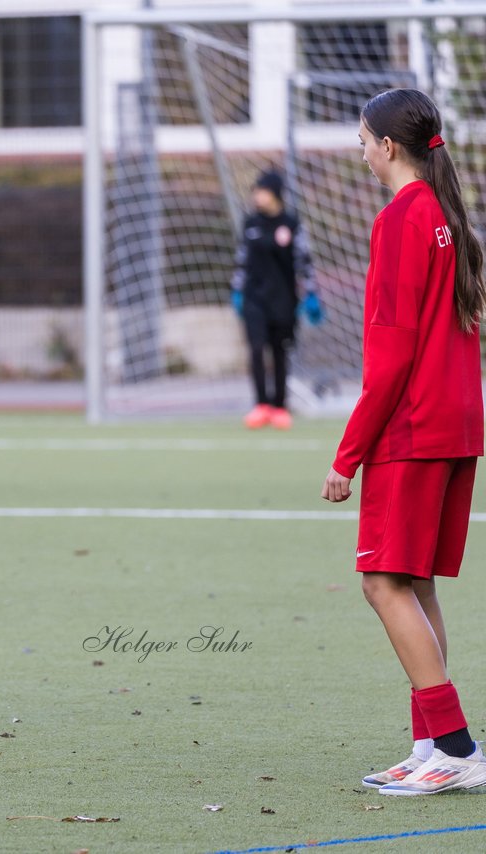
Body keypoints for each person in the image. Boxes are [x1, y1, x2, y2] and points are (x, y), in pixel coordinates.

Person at [322, 88, 486, 795]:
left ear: (388, 146)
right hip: (457, 423)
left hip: (414, 429)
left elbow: (389, 356)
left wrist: (345, 455)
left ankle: (454, 747)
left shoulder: (401, 219)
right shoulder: (446, 215)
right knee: (413, 583)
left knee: (382, 582)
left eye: (362, 139)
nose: (360, 150)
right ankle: (430, 747)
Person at [230, 169, 322, 430]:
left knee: (280, 352)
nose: (257, 196)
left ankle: (279, 407)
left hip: (283, 301)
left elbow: (304, 262)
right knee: (257, 349)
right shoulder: (250, 224)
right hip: (254, 299)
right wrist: (237, 291)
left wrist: (312, 293)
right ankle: (260, 405)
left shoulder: (291, 225)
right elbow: (242, 261)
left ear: (275, 194)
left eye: (262, 191)